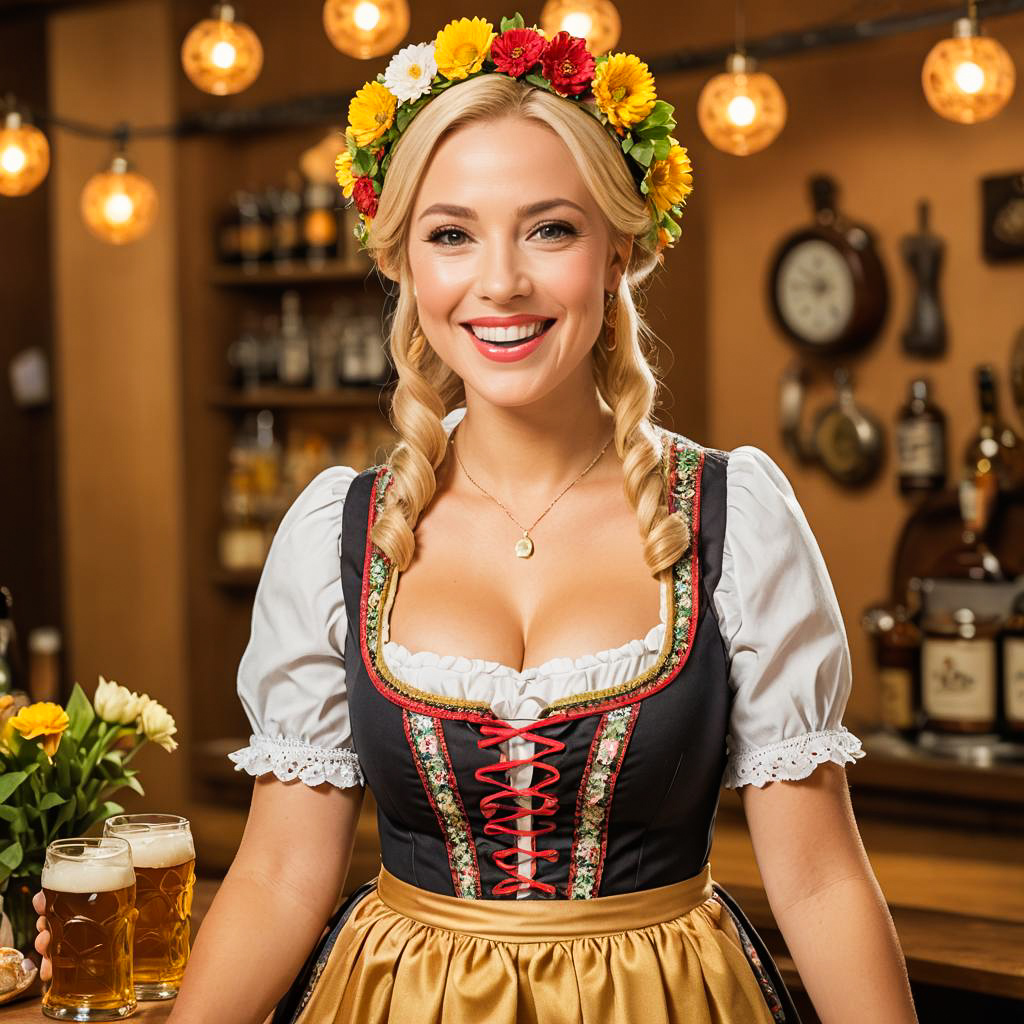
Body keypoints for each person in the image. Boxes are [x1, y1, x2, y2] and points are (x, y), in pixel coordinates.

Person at [35, 12, 919, 1023]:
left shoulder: (734, 516)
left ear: (618, 252)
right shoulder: (340, 532)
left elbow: (817, 883)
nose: (499, 282)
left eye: (549, 227)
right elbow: (283, 875)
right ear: (406, 265)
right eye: (451, 234)